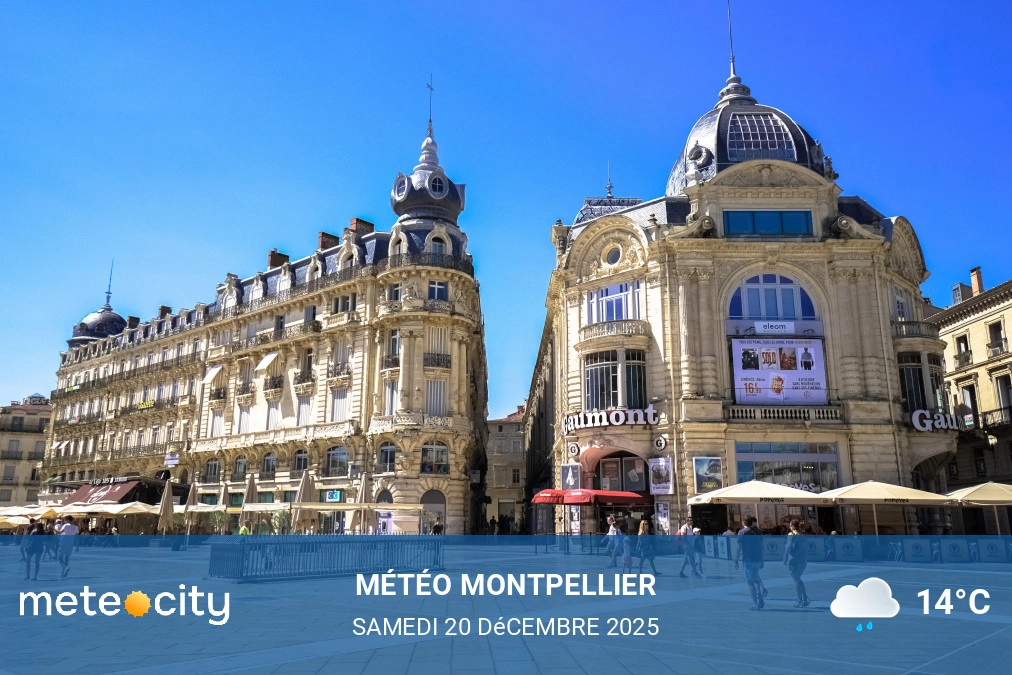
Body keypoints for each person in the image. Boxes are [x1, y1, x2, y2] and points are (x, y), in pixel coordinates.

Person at [735, 515, 766, 610]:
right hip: (757, 558)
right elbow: (762, 547)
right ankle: (760, 597)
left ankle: (755, 603)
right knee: (756, 578)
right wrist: (762, 560)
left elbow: (739, 547)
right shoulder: (758, 532)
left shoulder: (742, 532)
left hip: (748, 559)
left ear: (743, 523)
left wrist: (736, 560)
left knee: (750, 582)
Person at [784, 519, 809, 607]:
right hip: (803, 559)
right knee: (798, 578)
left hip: (794, 559)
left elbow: (788, 546)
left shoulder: (791, 535)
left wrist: (785, 557)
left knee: (795, 579)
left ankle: (800, 601)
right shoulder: (803, 536)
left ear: (791, 526)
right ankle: (805, 598)